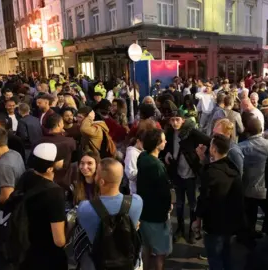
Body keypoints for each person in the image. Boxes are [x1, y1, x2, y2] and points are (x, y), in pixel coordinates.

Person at [77, 158, 143, 269]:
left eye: (96, 173)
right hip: (129, 264)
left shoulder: (85, 208)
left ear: (101, 181)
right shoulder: (137, 202)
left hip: (99, 264)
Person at [193, 134, 245, 269]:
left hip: (214, 224)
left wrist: (197, 220)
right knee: (227, 257)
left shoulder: (211, 173)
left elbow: (204, 199)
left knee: (215, 259)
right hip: (230, 223)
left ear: (214, 149)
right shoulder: (233, 169)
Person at [16, 143, 68, 270]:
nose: (62, 160)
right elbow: (59, 240)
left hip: (25, 251)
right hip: (47, 257)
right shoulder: (54, 193)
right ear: (50, 169)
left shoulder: (27, 176)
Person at [164, 110, 210, 243]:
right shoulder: (170, 132)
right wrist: (167, 153)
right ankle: (179, 228)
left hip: (190, 173)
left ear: (183, 120)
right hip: (177, 172)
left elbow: (208, 141)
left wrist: (200, 155)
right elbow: (167, 146)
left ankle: (191, 230)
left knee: (192, 204)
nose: (174, 123)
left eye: (177, 119)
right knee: (179, 203)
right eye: (172, 120)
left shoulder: (192, 132)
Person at [137, 128, 172, 270]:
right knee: (160, 253)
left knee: (146, 249)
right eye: (163, 140)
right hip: (157, 215)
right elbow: (164, 193)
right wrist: (167, 208)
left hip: (143, 211)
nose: (166, 141)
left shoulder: (142, 157)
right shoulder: (157, 166)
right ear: (157, 144)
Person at [239, 117, 268, 239]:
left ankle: (249, 239)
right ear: (261, 129)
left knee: (249, 217)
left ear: (247, 131)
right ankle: (267, 237)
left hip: (247, 188)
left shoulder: (240, 147)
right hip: (265, 189)